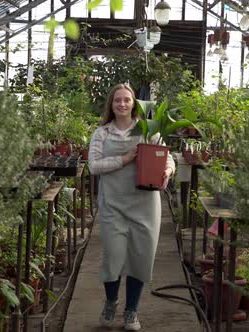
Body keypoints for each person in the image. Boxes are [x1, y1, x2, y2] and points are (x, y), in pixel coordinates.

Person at [88, 83, 175, 331]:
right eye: (118, 101)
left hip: (145, 204)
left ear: (134, 103)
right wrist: (125, 159)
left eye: (127, 100)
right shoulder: (102, 133)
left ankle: (131, 312)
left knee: (141, 257)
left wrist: (167, 171)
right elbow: (94, 166)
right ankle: (111, 301)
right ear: (111, 104)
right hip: (113, 204)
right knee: (113, 257)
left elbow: (167, 158)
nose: (123, 104)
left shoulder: (149, 131)